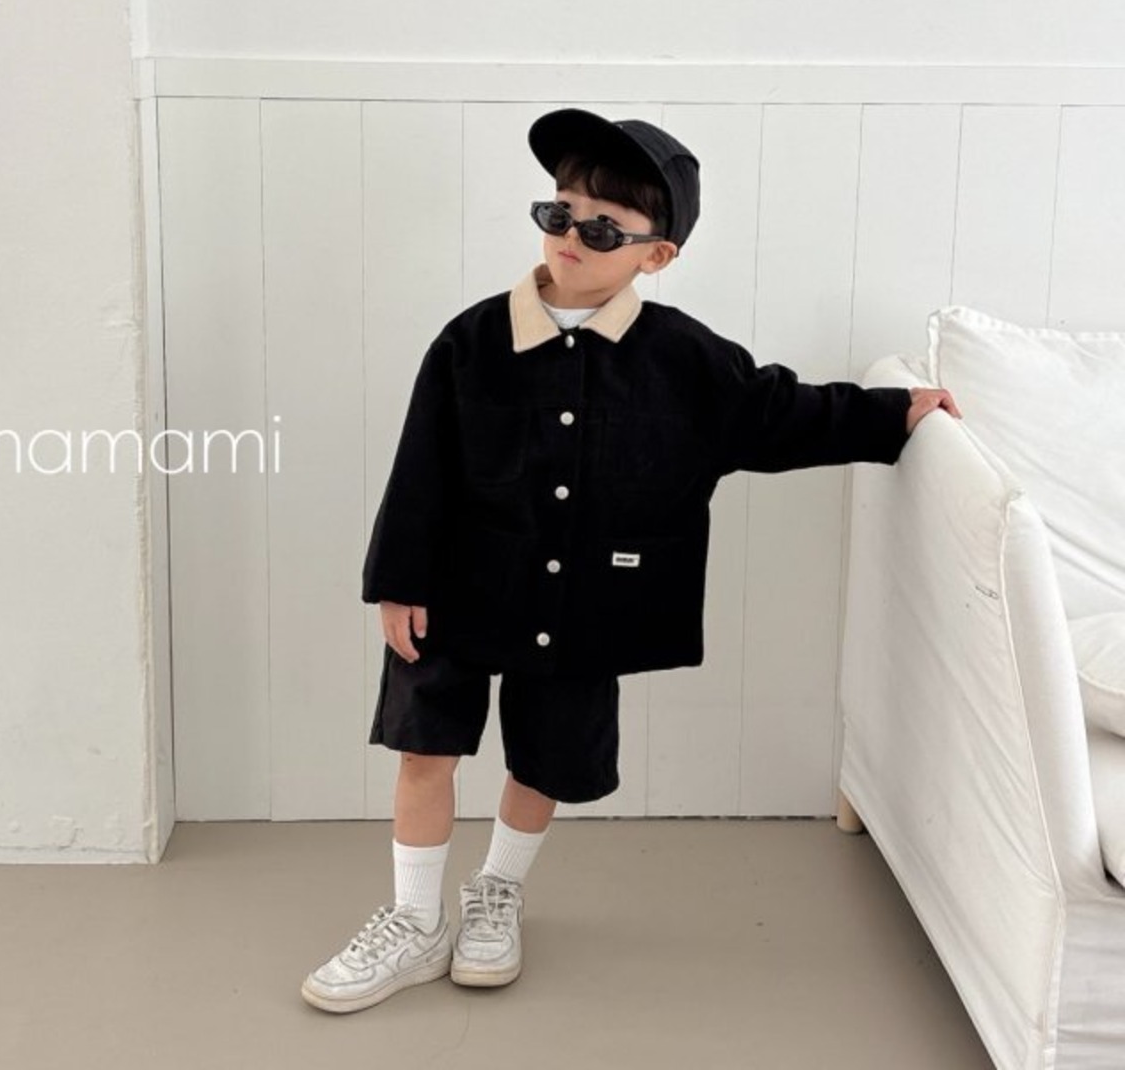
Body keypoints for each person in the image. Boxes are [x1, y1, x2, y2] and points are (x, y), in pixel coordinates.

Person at [299, 108, 962, 1014]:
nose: (572, 237)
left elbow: (780, 414)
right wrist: (397, 582)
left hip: (585, 606)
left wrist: (894, 413)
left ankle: (497, 892)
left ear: (657, 254)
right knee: (425, 745)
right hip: (454, 590)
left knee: (546, 757)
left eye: (604, 228)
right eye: (558, 213)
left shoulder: (683, 359)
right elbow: (421, 467)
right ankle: (415, 920)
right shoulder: (471, 341)